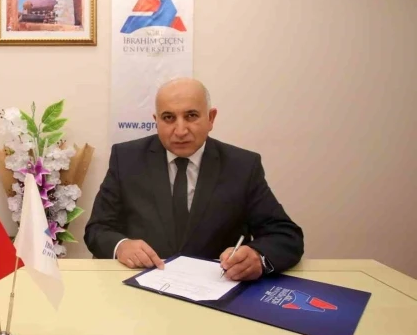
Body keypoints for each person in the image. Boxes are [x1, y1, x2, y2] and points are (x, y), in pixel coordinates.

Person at [84, 77, 304, 281]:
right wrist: (121, 246)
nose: (180, 130)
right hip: (141, 286)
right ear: (156, 121)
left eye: (191, 116)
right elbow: (97, 229)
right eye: (168, 118)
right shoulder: (126, 159)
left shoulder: (243, 166)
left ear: (211, 118)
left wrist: (257, 256)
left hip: (217, 289)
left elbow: (286, 235)